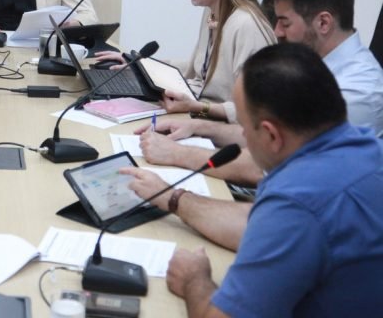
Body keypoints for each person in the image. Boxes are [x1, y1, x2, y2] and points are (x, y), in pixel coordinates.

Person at [128, 43, 383, 317]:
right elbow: (258, 222)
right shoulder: (365, 149)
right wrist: (172, 197)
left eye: (245, 127)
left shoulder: (298, 200)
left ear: (272, 135)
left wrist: (193, 279)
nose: (243, 137)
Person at [135, 0, 383, 187]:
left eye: (285, 22)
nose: (277, 32)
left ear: (323, 23)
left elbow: (268, 167)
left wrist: (176, 153)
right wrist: (199, 127)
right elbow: (266, 139)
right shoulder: (314, 67)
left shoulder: (354, 94)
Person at [96, 0, 275, 122]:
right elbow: (197, 71)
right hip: (198, 114)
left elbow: (256, 110)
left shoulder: (247, 27)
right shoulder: (212, 12)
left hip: (222, 127)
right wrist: (139, 66)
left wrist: (197, 108)